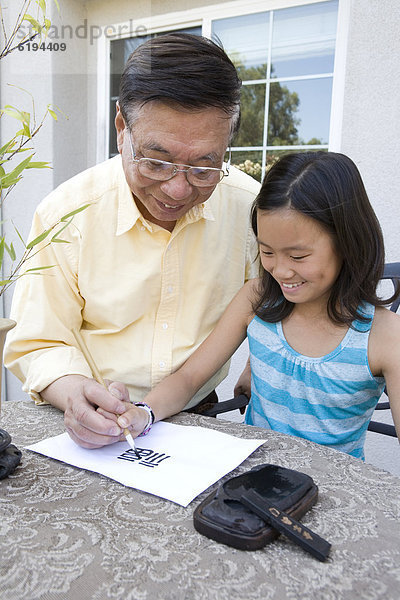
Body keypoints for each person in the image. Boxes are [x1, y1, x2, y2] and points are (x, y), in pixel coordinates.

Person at [4, 33, 260, 449]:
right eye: (156, 162)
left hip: (201, 417)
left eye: (203, 167)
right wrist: (76, 394)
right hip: (88, 418)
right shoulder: (66, 215)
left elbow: (285, 297)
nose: (178, 190)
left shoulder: (251, 209)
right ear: (121, 127)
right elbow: (39, 339)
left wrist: (259, 362)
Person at [118, 151, 400, 459]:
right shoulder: (257, 299)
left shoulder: (385, 337)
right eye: (267, 252)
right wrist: (143, 413)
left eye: (297, 256)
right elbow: (189, 378)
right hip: (253, 481)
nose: (280, 271)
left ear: (348, 243)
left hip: (333, 494)